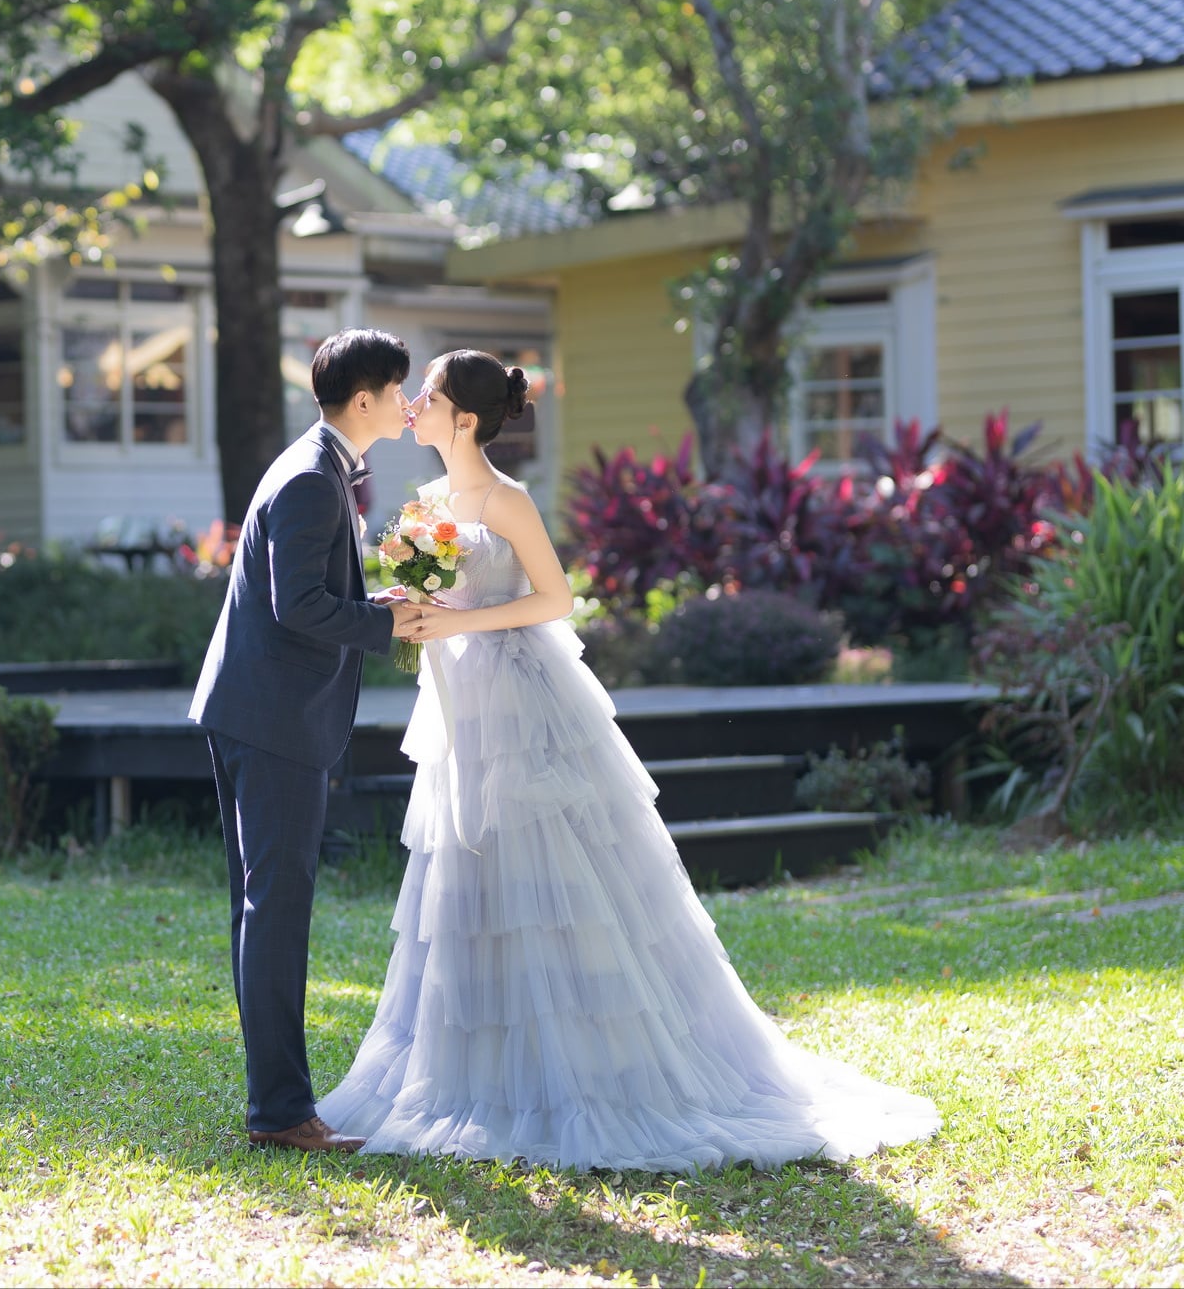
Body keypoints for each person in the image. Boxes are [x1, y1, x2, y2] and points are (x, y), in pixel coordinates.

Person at [316, 349, 941, 1172]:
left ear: (463, 417)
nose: (412, 406)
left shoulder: (505, 499)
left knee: (550, 870)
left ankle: (589, 1064)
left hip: (520, 698)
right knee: (466, 872)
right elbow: (432, 603)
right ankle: (482, 1066)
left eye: (426, 395)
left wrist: (457, 624)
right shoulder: (425, 501)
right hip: (456, 701)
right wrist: (412, 609)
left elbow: (554, 598)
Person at [190, 328, 425, 1153]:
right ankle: (283, 1113)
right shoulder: (312, 481)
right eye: (398, 390)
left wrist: (375, 597)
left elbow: (309, 589)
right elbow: (299, 607)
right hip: (273, 721)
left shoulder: (316, 466)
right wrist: (389, 620)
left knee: (263, 911)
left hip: (256, 712)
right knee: (275, 912)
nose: (406, 404)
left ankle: (276, 1104)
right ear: (364, 399)